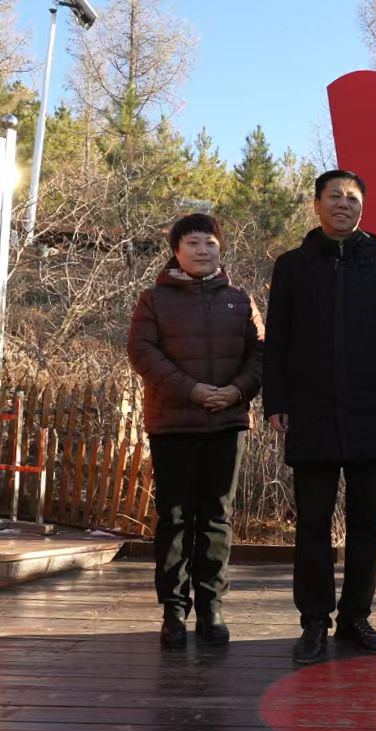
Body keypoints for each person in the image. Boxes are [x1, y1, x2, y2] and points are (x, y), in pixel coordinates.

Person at [263, 170, 376, 665]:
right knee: (312, 520)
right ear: (316, 205)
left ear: (362, 207)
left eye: (353, 198)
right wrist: (276, 400)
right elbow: (277, 339)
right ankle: (314, 621)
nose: (344, 204)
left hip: (372, 408)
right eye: (334, 196)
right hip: (310, 409)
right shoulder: (293, 266)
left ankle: (356, 617)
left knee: (367, 521)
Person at [128, 213, 263, 649]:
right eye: (192, 243)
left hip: (227, 422)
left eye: (210, 243)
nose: (202, 250)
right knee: (174, 517)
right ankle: (173, 610)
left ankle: (211, 607)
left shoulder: (240, 300)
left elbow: (261, 353)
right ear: (176, 251)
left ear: (221, 249)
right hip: (172, 423)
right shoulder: (153, 299)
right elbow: (142, 353)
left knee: (217, 517)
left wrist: (237, 391)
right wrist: (192, 390)